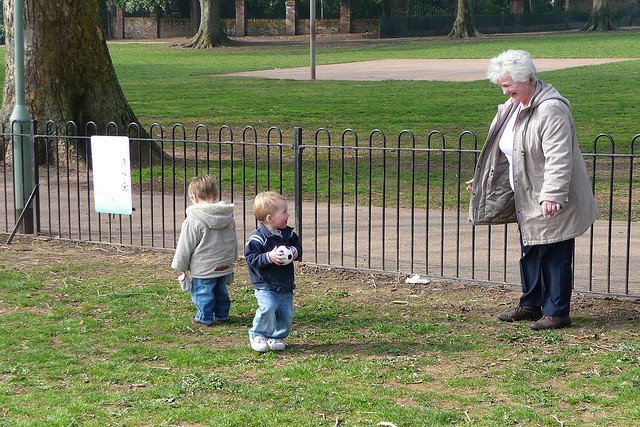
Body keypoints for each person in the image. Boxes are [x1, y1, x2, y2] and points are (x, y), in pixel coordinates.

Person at [467, 50, 597, 330]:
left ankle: (557, 312)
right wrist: (484, 179)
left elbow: (560, 156)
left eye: (508, 86)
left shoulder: (551, 109)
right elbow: (505, 151)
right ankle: (531, 304)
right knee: (531, 251)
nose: (505, 92)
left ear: (527, 78)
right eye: (502, 86)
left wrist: (553, 194)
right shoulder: (514, 107)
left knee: (554, 252)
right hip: (525, 194)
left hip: (550, 196)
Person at [171, 174, 237, 326]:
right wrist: (233, 257)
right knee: (221, 290)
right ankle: (222, 314)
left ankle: (205, 316)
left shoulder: (193, 220)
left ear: (193, 197)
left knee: (203, 292)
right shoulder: (227, 217)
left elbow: (186, 244)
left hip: (203, 266)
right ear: (215, 194)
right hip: (224, 263)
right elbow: (233, 239)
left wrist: (180, 264)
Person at [245, 191, 302, 352]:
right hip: (265, 284)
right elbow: (251, 259)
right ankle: (258, 334)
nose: (288, 215)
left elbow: (298, 247)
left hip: (284, 283)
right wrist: (269, 257)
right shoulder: (257, 239)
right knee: (268, 307)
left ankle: (276, 336)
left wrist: (295, 251)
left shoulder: (288, 234)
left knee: (287, 314)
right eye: (284, 212)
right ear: (270, 218)